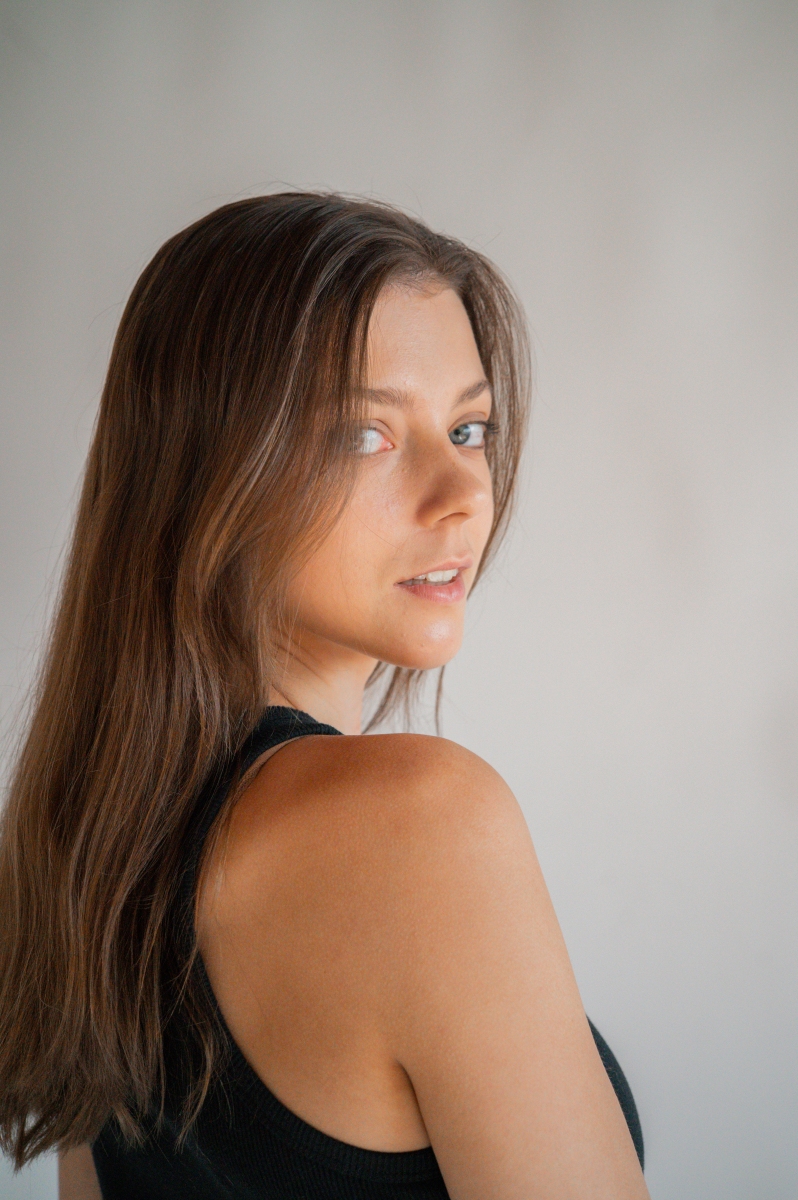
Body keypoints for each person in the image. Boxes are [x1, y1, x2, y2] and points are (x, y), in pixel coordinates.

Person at [0, 193, 649, 1199]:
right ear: (209, 472)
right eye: (364, 436)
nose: (464, 493)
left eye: (468, 427)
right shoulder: (423, 823)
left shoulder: (87, 855)